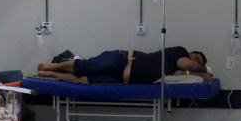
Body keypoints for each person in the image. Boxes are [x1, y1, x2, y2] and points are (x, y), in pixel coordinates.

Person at [36, 47, 211, 84]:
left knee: (84, 80)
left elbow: (188, 72)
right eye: (196, 58)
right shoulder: (179, 52)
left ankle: (53, 75)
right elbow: (187, 64)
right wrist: (203, 68)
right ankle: (51, 66)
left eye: (199, 62)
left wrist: (203, 75)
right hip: (122, 59)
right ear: (189, 54)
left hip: (121, 79)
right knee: (85, 66)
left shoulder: (176, 71)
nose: (195, 62)